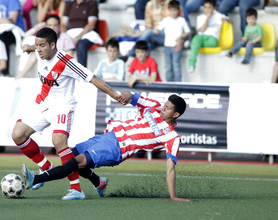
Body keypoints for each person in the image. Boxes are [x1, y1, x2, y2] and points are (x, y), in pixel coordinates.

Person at [11, 27, 125, 200]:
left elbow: (94, 78)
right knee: (18, 135)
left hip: (62, 107)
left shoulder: (66, 62)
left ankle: (76, 189)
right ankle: (46, 166)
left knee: (58, 141)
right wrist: (28, 47)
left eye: (42, 45)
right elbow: (33, 47)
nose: (38, 49)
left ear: (53, 44)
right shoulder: (39, 51)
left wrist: (116, 95)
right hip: (43, 104)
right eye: (37, 45)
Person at [21, 90, 191, 202]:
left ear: (176, 114)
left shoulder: (172, 137)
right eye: (165, 104)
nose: (163, 108)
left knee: (74, 162)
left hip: (117, 149)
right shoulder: (153, 107)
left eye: (167, 108)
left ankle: (36, 179)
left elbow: (170, 169)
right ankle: (98, 182)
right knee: (68, 154)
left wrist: (173, 196)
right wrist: (126, 95)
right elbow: (132, 96)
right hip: (109, 136)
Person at [16, 14, 75, 79]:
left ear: (59, 26)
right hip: (45, 70)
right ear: (46, 26)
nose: (52, 27)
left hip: (60, 71)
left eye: (55, 25)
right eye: (50, 25)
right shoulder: (43, 39)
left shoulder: (66, 37)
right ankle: (21, 74)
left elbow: (69, 57)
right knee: (36, 53)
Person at [188, 0, 231, 73]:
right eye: (205, 7)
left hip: (212, 40)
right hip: (201, 38)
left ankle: (190, 44)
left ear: (214, 8)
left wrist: (226, 19)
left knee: (195, 41)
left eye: (209, 8)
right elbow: (202, 30)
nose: (207, 10)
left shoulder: (219, 16)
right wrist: (207, 18)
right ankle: (192, 65)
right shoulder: (200, 17)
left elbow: (231, 21)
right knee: (196, 38)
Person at [154, 0, 190, 82]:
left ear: (178, 11)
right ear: (168, 10)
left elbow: (187, 32)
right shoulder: (166, 20)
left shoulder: (181, 20)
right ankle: (169, 82)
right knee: (168, 66)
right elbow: (158, 29)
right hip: (167, 45)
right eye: (171, 10)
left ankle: (178, 83)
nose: (173, 12)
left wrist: (181, 37)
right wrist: (155, 29)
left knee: (176, 65)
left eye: (175, 10)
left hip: (176, 45)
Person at [62, 0, 102, 67]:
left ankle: (82, 73)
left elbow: (91, 25)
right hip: (71, 33)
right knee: (62, 42)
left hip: (87, 33)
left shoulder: (91, 3)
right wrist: (65, 35)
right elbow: (63, 24)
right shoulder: (70, 4)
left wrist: (78, 37)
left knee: (81, 44)